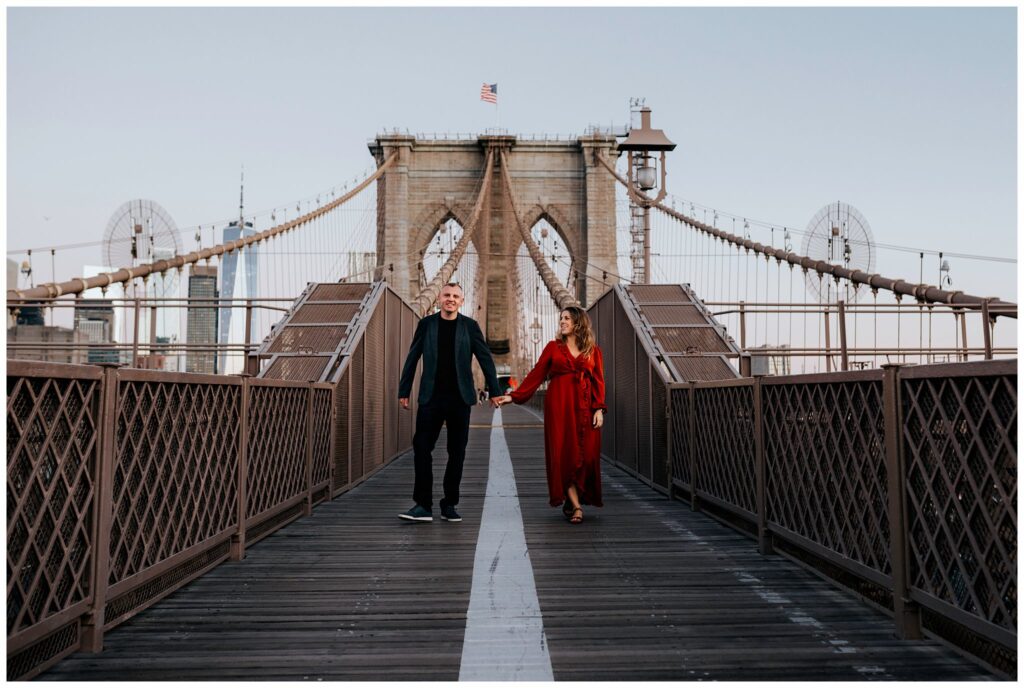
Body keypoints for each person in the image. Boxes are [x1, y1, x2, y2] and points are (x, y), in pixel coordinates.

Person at [398, 282, 503, 523]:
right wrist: (404, 389)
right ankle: (423, 505)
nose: (451, 299)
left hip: (460, 399)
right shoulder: (426, 325)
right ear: (438, 298)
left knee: (457, 453)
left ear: (462, 301)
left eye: (456, 296)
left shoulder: (470, 326)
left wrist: (495, 390)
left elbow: (485, 359)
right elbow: (412, 357)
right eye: (447, 295)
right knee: (422, 448)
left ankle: (449, 504)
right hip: (431, 397)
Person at [495, 306, 606, 524]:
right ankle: (576, 506)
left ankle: (574, 495)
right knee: (563, 454)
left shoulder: (593, 350)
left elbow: (598, 381)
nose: (562, 322)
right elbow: (537, 374)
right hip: (559, 408)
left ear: (578, 323)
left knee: (588, 456)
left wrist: (599, 408)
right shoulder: (553, 348)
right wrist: (514, 396)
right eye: (561, 318)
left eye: (567, 318)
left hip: (585, 409)